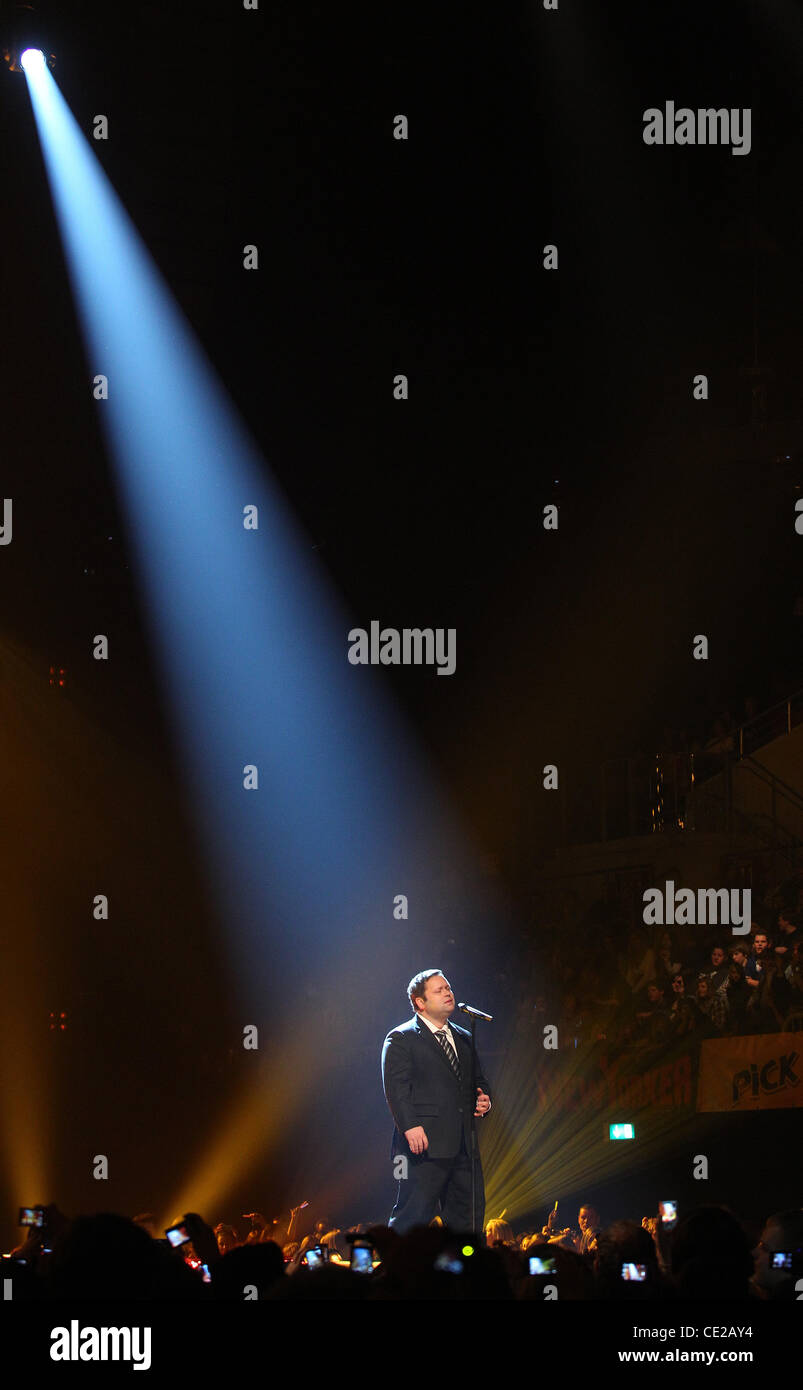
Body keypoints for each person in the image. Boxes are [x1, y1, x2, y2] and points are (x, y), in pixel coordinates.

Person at [381, 969, 492, 1234]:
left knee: (468, 1221)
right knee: (413, 1216)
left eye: (449, 988)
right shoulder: (402, 1038)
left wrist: (485, 1100)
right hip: (425, 1146)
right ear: (420, 1002)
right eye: (439, 990)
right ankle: (395, 1270)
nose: (448, 993)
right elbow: (396, 1088)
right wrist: (410, 1126)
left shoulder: (464, 1037)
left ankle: (463, 1271)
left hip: (464, 1146)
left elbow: (479, 1080)